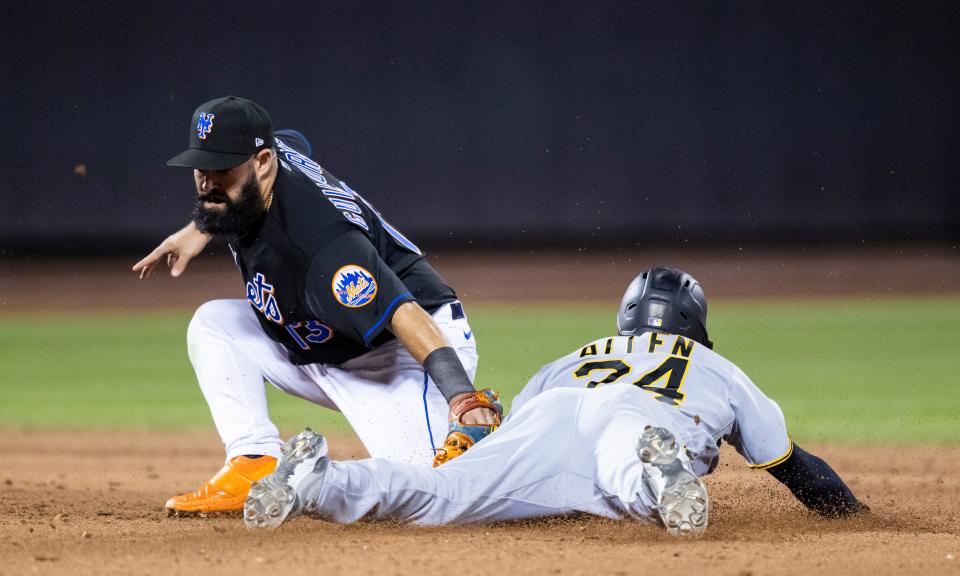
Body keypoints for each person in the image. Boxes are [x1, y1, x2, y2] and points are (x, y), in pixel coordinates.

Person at [242, 266, 868, 535]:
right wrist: (855, 514)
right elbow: (795, 470)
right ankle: (661, 476)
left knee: (440, 496)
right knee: (631, 478)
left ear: (625, 319)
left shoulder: (578, 353)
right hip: (640, 422)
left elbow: (507, 431)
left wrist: (471, 449)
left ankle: (320, 480)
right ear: (695, 323)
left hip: (552, 409)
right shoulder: (719, 368)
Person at [134, 96, 500, 516]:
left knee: (433, 496)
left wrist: (461, 398)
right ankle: (254, 463)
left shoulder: (322, 246)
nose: (209, 185)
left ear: (263, 162)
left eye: (223, 172)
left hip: (399, 355)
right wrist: (201, 225)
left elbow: (404, 312)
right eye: (203, 171)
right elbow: (295, 141)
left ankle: (528, 444)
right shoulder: (264, 166)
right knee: (214, 325)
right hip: (326, 340)